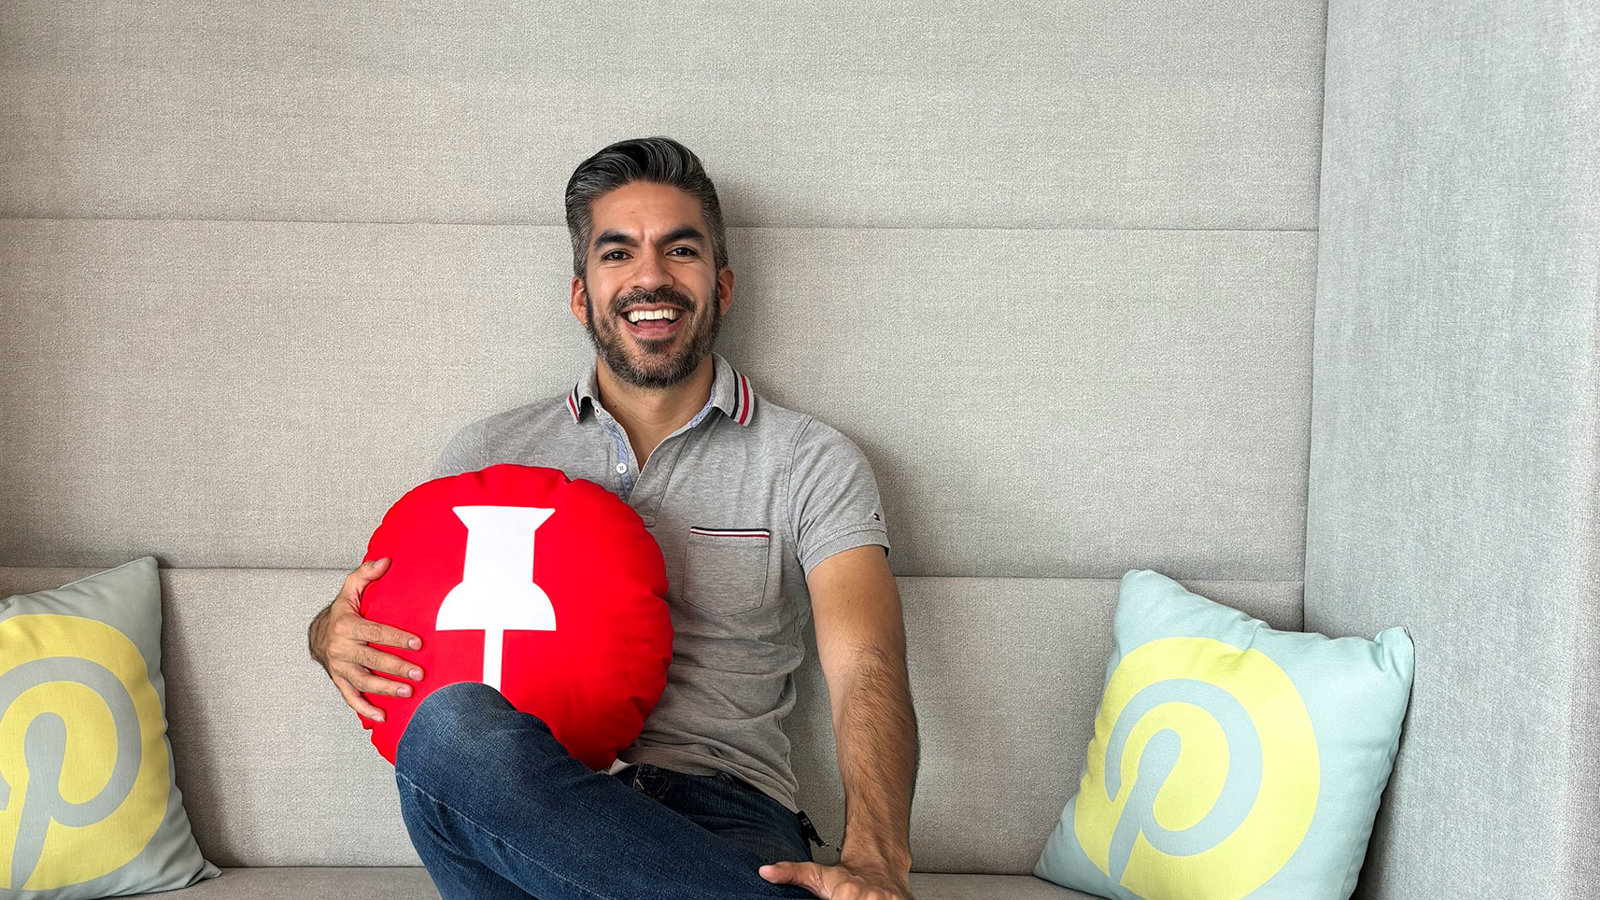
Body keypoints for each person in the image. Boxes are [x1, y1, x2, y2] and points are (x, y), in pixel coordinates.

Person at [307, 137, 919, 900]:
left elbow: (867, 663)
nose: (651, 276)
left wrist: (876, 856)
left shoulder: (809, 458)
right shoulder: (488, 452)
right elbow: (395, 613)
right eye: (618, 253)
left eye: (681, 250)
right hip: (526, 806)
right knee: (447, 728)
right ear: (580, 295)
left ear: (722, 287)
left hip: (723, 811)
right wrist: (324, 633)